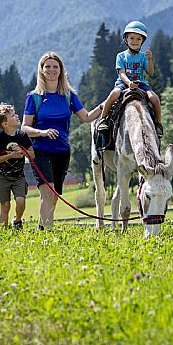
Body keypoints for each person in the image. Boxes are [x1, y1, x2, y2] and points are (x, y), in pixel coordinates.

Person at [21, 51, 102, 229]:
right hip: (40, 150)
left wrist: (107, 103)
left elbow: (87, 117)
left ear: (61, 70)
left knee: (56, 193)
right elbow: (24, 127)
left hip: (62, 151)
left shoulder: (68, 96)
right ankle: (47, 233)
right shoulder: (34, 97)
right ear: (41, 70)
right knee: (47, 191)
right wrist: (42, 132)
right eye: (47, 66)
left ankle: (42, 227)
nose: (51, 70)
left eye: (55, 66)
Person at [98, 21, 163, 138]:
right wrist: (128, 83)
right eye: (131, 38)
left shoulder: (143, 56)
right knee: (114, 94)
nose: (134, 41)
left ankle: (158, 124)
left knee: (155, 99)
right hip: (123, 83)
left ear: (142, 41)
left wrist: (149, 60)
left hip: (141, 84)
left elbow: (150, 72)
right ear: (126, 39)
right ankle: (103, 119)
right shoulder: (121, 56)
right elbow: (122, 73)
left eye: (138, 39)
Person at [0, 103, 35, 229]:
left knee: (21, 201)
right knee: (5, 205)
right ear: (5, 124)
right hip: (3, 178)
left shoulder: (23, 136)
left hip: (19, 177)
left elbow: (32, 155)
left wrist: (22, 152)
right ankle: (3, 231)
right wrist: (10, 156)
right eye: (13, 116)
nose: (17, 116)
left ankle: (17, 220)